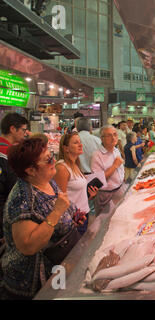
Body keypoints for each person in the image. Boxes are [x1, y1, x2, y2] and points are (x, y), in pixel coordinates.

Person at [2, 138, 84, 299]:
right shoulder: (22, 198)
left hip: (58, 269)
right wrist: (57, 212)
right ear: (30, 170)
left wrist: (72, 218)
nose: (53, 161)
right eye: (48, 160)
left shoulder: (47, 181)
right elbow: (28, 246)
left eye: (51, 155)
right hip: (34, 283)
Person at [54, 133, 99, 235]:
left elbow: (75, 194)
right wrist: (72, 219)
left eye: (80, 142)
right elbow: (59, 200)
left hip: (83, 214)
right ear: (66, 148)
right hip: (74, 219)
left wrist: (89, 196)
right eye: (75, 143)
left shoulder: (75, 165)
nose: (80, 145)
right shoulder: (62, 168)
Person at [0, 113, 29, 241]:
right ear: (12, 129)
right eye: (23, 130)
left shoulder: (11, 151)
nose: (26, 133)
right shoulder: (5, 154)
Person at [90, 125, 125, 215]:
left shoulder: (116, 150)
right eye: (109, 135)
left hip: (119, 190)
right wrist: (115, 166)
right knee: (104, 224)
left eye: (115, 134)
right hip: (105, 195)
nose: (113, 138)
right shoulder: (96, 155)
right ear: (102, 138)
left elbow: (120, 170)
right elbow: (98, 180)